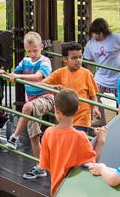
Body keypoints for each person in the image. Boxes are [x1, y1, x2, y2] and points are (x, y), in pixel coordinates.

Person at [18, 42, 103, 178]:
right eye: (74, 58)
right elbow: (42, 84)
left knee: (78, 148)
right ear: (65, 59)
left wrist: (95, 108)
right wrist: (54, 87)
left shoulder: (86, 74)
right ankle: (66, 173)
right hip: (65, 119)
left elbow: (92, 94)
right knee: (66, 149)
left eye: (80, 57)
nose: (78, 61)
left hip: (81, 119)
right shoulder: (60, 73)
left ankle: (79, 173)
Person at [37, 88, 108, 196]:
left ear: (56, 110)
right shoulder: (80, 137)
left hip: (56, 191)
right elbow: (92, 165)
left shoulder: (48, 133)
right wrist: (101, 141)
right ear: (78, 110)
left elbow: (45, 164)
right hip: (75, 191)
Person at [0, 31, 55, 144]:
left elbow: (38, 76)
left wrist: (18, 76)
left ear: (41, 47)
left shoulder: (45, 61)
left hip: (45, 97)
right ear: (25, 49)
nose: (32, 54)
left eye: (35, 50)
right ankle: (39, 161)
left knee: (27, 107)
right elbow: (12, 75)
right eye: (29, 51)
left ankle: (15, 137)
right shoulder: (25, 61)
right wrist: (1, 72)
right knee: (34, 137)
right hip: (31, 99)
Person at [83, 18, 120, 99]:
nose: (95, 36)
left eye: (98, 33)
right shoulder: (91, 44)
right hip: (101, 77)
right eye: (93, 33)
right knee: (94, 99)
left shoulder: (115, 39)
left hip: (117, 77)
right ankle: (99, 112)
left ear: (104, 32)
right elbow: (86, 60)